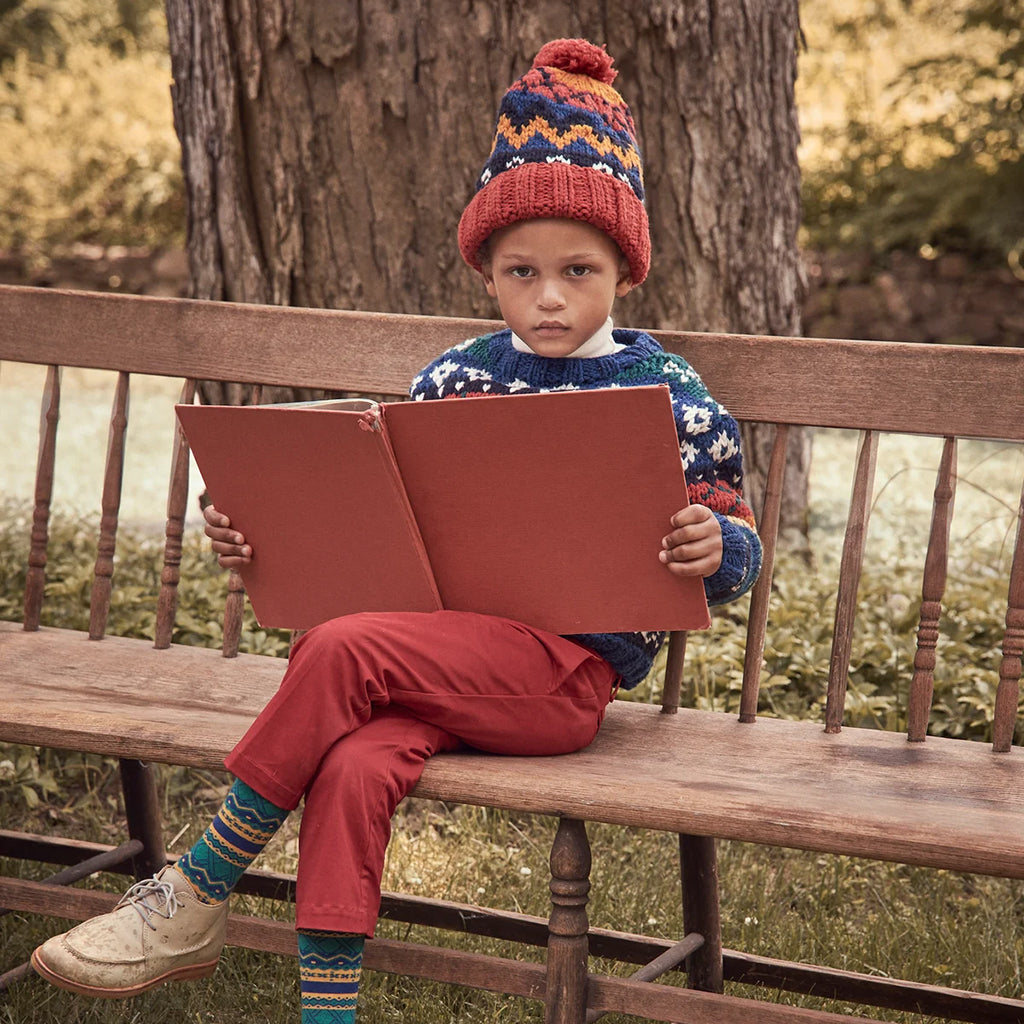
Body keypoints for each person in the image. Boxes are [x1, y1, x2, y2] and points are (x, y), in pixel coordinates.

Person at [31, 37, 762, 1023]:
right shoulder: (450, 380)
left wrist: (714, 549)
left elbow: (735, 547)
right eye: (520, 270)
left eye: (577, 269)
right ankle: (326, 1013)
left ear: (623, 270)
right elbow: (382, 529)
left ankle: (195, 888)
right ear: (486, 271)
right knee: (352, 760)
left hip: (561, 680)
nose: (548, 295)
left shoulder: (664, 390)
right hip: (438, 656)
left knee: (339, 649)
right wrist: (261, 537)